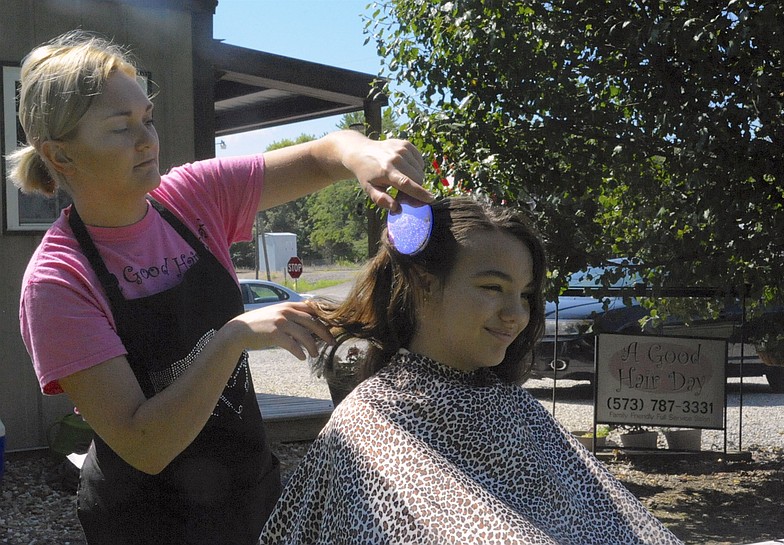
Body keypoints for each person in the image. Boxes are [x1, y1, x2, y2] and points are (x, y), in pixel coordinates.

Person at [10, 30, 432, 545]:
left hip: (248, 493)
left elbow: (328, 152)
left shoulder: (192, 196)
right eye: (121, 127)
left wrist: (364, 152)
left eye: (147, 118)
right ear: (61, 155)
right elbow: (144, 444)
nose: (147, 140)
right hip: (145, 522)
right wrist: (231, 338)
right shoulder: (57, 281)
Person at [260, 197, 684, 544]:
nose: (516, 314)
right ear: (425, 282)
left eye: (525, 294)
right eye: (492, 288)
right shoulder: (370, 423)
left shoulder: (512, 407)